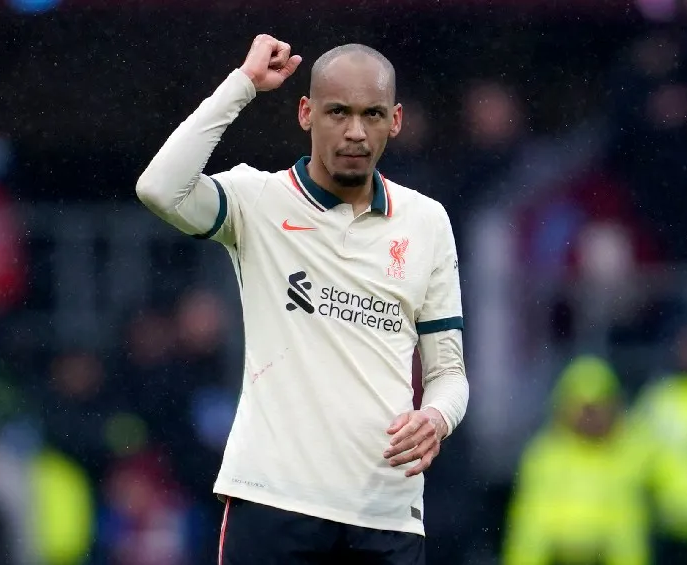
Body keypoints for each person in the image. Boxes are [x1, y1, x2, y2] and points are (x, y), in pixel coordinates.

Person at [135, 35, 469, 565]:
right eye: (338, 112)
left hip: (386, 512)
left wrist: (436, 418)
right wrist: (243, 84)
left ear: (396, 120)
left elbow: (449, 373)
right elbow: (159, 188)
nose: (355, 131)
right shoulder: (257, 200)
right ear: (306, 112)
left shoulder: (427, 222)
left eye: (372, 114)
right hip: (273, 500)